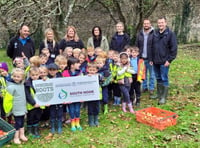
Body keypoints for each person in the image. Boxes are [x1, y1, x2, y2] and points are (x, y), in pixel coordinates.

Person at [149, 17, 177, 104]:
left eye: (162, 22)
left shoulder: (170, 34)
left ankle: (163, 97)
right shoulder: (155, 33)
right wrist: (151, 58)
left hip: (165, 61)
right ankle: (159, 94)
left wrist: (169, 60)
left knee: (164, 78)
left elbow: (174, 48)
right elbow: (151, 47)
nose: (160, 24)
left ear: (166, 23)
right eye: (159, 23)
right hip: (155, 61)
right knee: (158, 77)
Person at [6, 68, 28, 144]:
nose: (16, 78)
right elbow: (8, 100)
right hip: (16, 108)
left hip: (22, 107)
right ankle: (16, 137)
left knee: (22, 121)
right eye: (14, 76)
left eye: (18, 77)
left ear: (22, 78)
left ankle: (22, 135)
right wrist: (8, 110)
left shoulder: (22, 84)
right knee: (18, 122)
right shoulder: (11, 87)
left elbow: (27, 72)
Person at [62, 57, 83, 132]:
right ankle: (73, 124)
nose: (79, 64)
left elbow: (83, 83)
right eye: (77, 63)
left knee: (77, 109)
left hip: (78, 94)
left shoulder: (80, 72)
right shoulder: (65, 73)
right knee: (71, 110)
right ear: (72, 65)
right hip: (69, 96)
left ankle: (77, 123)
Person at [135, 18, 155, 95]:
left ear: (150, 24)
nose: (146, 25)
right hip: (142, 58)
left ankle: (151, 88)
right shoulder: (140, 34)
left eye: (147, 23)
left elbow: (155, 47)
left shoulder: (154, 33)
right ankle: (144, 87)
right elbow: (137, 45)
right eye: (145, 23)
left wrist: (153, 58)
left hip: (151, 58)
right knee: (143, 74)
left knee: (152, 74)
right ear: (143, 25)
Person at [25, 67, 42, 138]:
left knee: (37, 116)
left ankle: (36, 130)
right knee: (30, 117)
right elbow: (27, 95)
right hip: (31, 105)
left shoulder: (41, 81)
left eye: (36, 75)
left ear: (39, 74)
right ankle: (30, 130)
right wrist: (33, 103)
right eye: (33, 75)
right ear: (30, 75)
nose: (35, 76)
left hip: (39, 104)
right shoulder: (27, 83)